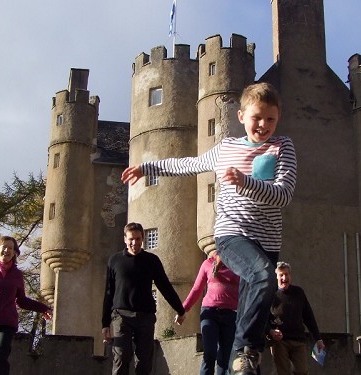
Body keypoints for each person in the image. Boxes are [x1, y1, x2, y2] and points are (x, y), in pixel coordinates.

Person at [121, 82, 297, 375]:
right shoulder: (227, 147)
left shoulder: (282, 147)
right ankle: (248, 350)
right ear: (241, 116)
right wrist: (148, 168)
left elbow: (284, 194)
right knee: (265, 276)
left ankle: (237, 365)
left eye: (271, 119)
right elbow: (190, 164)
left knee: (254, 300)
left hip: (266, 242)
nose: (264, 125)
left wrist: (246, 182)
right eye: (257, 118)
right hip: (230, 236)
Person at [101, 222, 186, 375]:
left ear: (143, 238)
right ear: (125, 239)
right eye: (131, 239)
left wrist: (180, 310)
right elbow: (108, 293)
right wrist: (105, 324)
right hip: (121, 315)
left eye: (138, 239)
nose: (135, 243)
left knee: (145, 360)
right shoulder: (114, 261)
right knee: (121, 356)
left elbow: (165, 287)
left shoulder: (151, 260)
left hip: (145, 316)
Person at [0, 235, 53, 375]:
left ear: (14, 253)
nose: (7, 250)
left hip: (6, 324)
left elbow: (21, 300)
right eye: (4, 247)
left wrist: (43, 308)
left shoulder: (17, 274)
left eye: (11, 248)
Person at [175, 251, 240, 375]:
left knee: (225, 358)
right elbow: (197, 288)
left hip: (230, 314)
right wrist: (183, 309)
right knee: (210, 353)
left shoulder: (237, 264)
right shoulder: (208, 263)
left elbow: (245, 290)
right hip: (210, 312)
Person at [267, 261, 325, 375]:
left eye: (287, 274)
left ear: (290, 276)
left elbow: (308, 316)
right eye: (281, 275)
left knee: (302, 371)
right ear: (276, 277)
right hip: (279, 341)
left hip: (298, 340)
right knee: (282, 371)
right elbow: (264, 317)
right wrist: (271, 331)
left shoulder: (298, 292)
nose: (284, 278)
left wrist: (318, 338)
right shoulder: (270, 294)